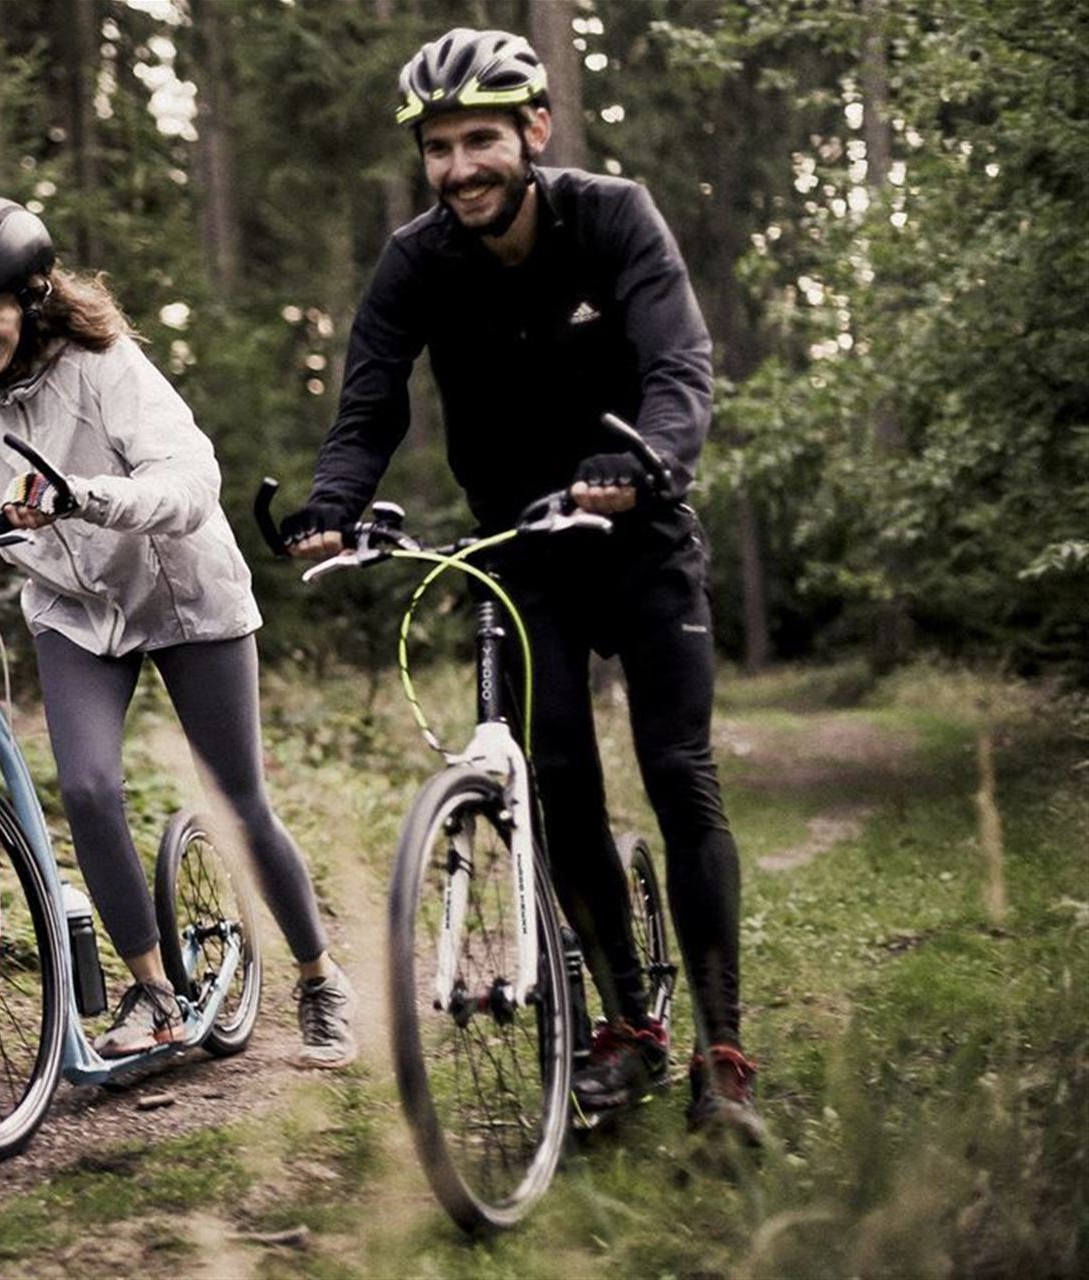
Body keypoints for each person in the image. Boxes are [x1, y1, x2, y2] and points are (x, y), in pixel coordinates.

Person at [281, 29, 764, 1143]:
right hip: (519, 549)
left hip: (639, 533)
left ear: (534, 133)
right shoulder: (416, 260)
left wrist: (644, 461)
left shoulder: (614, 216)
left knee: (680, 773)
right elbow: (370, 404)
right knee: (554, 784)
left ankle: (723, 1054)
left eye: (482, 140)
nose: (461, 168)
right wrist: (332, 501)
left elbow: (683, 366)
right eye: (440, 148)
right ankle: (629, 1027)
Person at [0, 194, 357, 1069]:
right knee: (85, 789)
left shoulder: (104, 363)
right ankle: (153, 991)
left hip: (184, 591)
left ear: (34, 299)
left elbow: (191, 479)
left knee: (238, 801)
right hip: (74, 611)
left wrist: (85, 495)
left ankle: (319, 978)